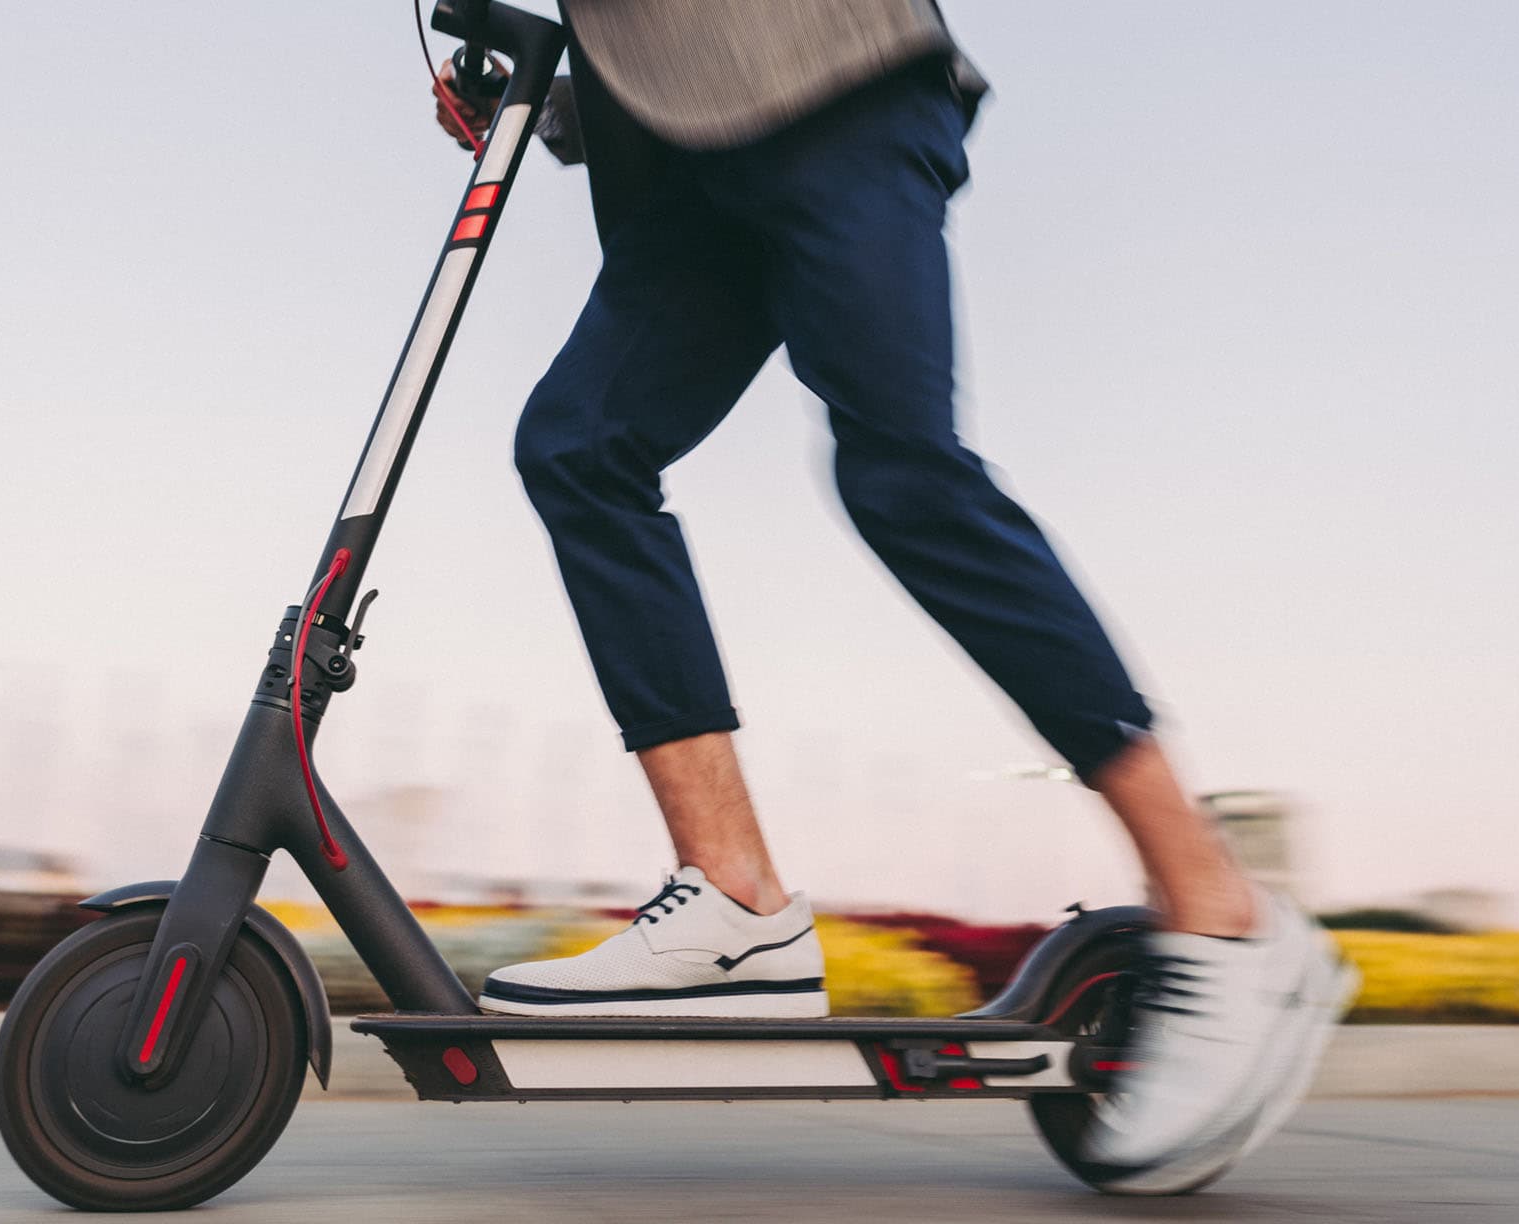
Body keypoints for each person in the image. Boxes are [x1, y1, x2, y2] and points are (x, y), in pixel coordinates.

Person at [431, 1, 1351, 1167]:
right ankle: (735, 903)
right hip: (679, 164)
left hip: (836, 95)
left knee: (903, 477)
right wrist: (554, 102)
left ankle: (1219, 907)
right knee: (578, 447)